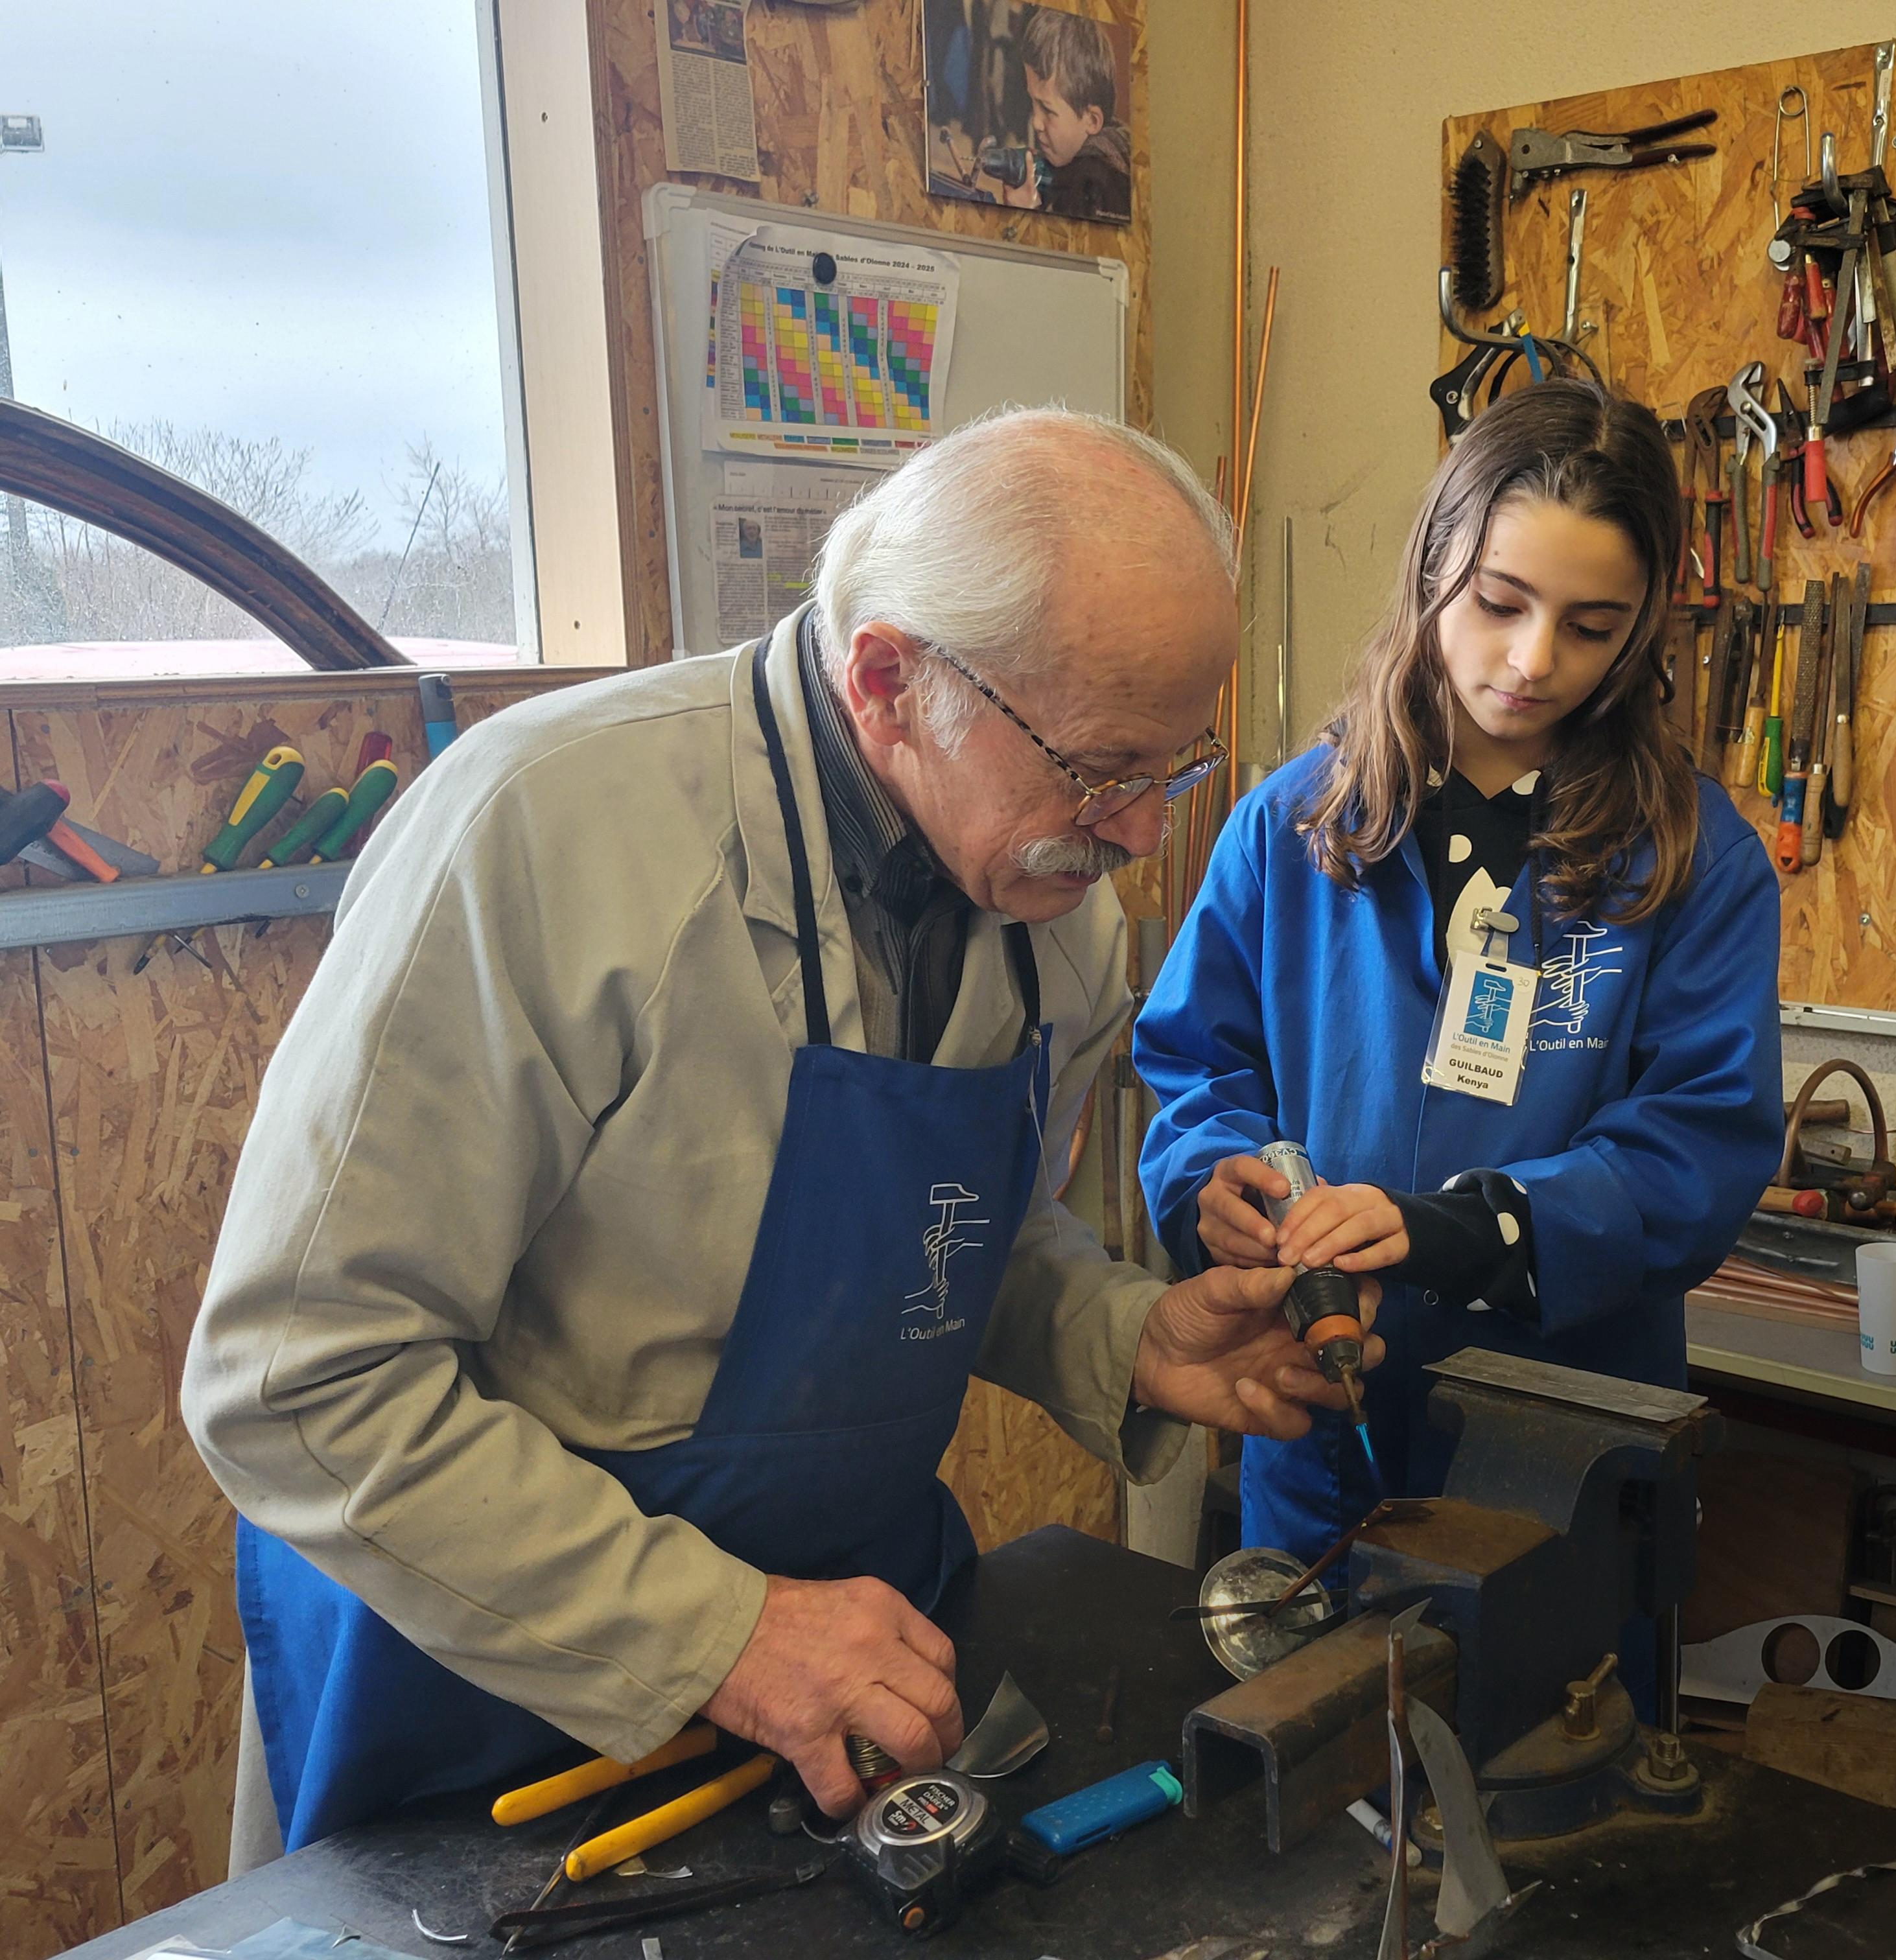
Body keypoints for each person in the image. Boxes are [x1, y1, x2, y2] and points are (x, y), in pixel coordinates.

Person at [182, 408, 1375, 1865]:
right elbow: (292, 1378)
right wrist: (722, 1633)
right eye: (1098, 770)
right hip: (476, 1678)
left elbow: (943, 1235)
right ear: (889, 680)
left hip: (846, 1650)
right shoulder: (541, 837)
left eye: (1170, 769)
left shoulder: (1059, 918)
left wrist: (1128, 1337)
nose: (1135, 835)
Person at [1134, 378, 1782, 1574]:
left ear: (1639, 631)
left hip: (1564, 1438)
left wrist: (1461, 1227)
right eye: (1498, 602)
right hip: (1319, 1418)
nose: (1532, 661)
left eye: (1591, 627)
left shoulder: (1695, 860)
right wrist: (1206, 1185)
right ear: (1435, 562)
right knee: (1312, 1742)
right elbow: (1194, 1065)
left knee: (1555, 1731)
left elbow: (1697, 1143)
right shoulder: (1289, 824)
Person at [996, 7, 1130, 222]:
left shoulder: (1090, 184)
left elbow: (1058, 249)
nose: (1035, 122)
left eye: (1047, 110)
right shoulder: (1115, 151)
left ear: (1092, 120)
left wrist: (1025, 213)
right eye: (1033, 104)